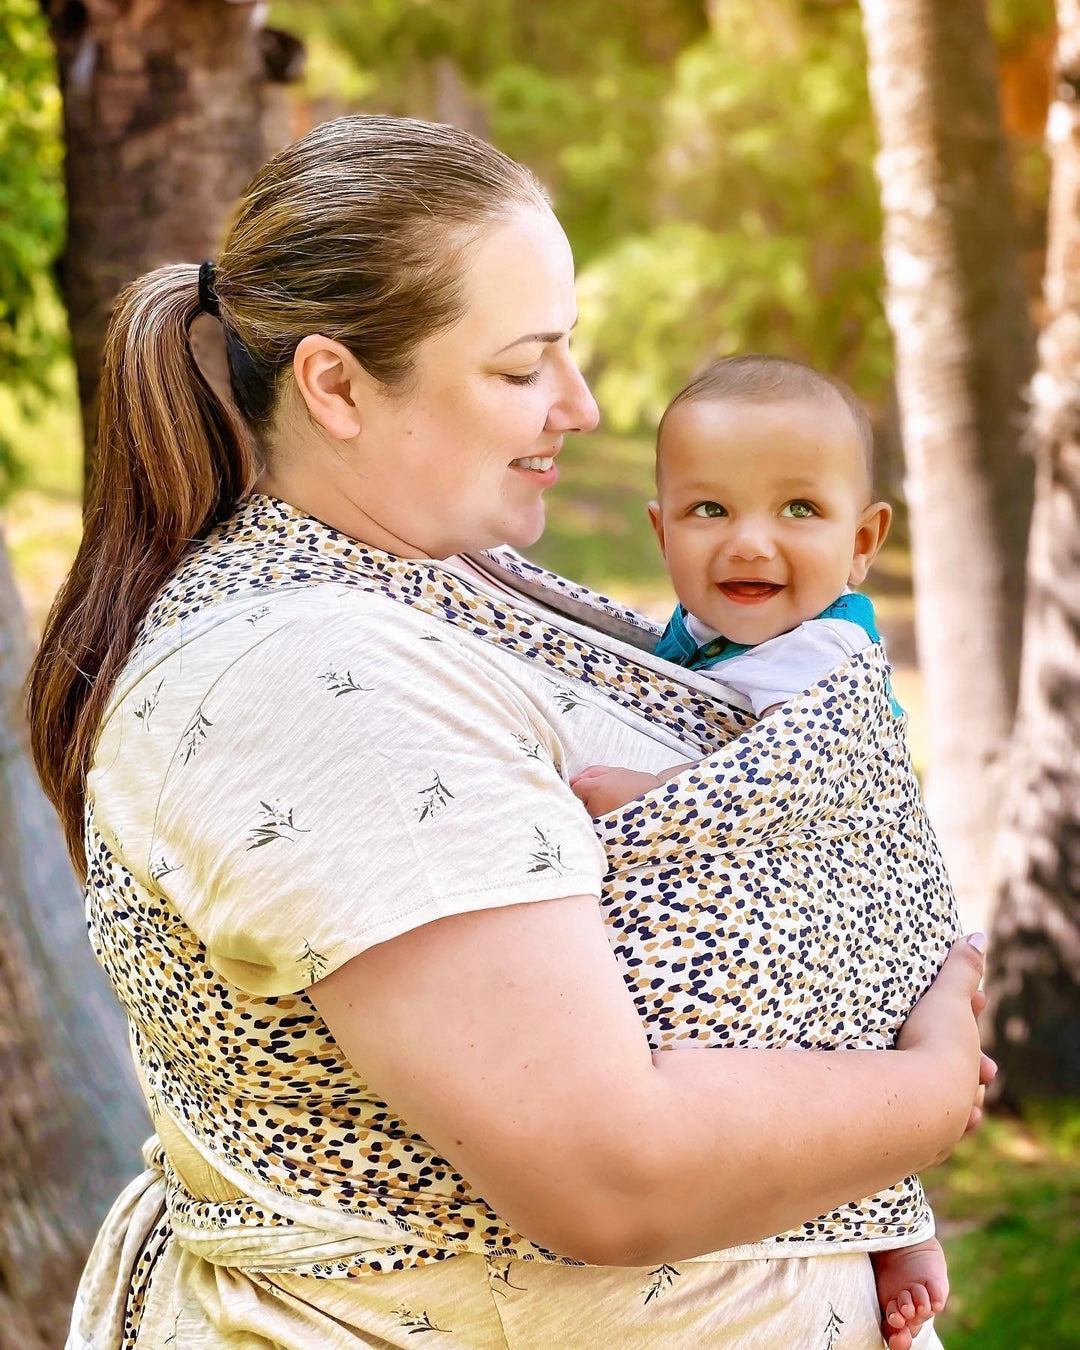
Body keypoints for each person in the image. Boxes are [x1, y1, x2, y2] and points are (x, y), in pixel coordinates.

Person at [28, 115, 992, 1350]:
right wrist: (930, 1083)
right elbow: (612, 1170)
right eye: (524, 366)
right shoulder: (313, 683)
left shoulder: (431, 575)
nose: (581, 408)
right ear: (334, 385)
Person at [569, 355, 947, 1349]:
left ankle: (901, 1231)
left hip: (849, 902)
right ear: (660, 530)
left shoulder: (825, 657)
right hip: (757, 935)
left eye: (798, 510)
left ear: (864, 542)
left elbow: (793, 789)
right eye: (706, 511)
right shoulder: (690, 641)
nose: (749, 541)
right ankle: (887, 1223)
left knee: (848, 1049)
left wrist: (648, 799)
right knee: (792, 1084)